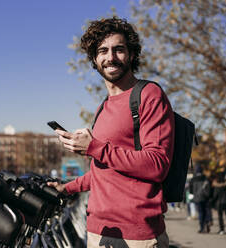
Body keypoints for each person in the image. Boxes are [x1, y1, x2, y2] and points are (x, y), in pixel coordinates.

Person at [48, 17, 174, 248]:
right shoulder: (103, 107)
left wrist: (94, 147)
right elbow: (105, 172)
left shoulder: (148, 95)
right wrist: (66, 188)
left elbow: (157, 164)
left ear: (132, 54)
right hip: (98, 231)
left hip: (137, 235)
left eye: (119, 49)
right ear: (95, 59)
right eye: (103, 51)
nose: (110, 57)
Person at [189, 164, 212, 233]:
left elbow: (191, 190)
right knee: (206, 211)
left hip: (197, 198)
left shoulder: (193, 179)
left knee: (200, 212)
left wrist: (193, 196)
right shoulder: (205, 178)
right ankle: (207, 222)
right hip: (205, 197)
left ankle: (201, 227)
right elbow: (210, 188)